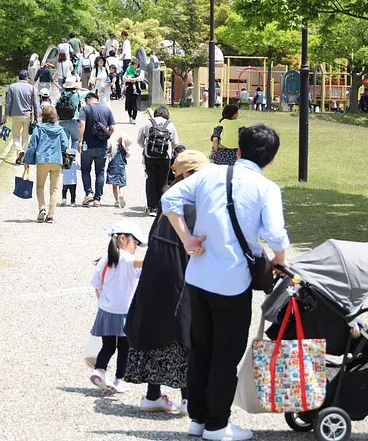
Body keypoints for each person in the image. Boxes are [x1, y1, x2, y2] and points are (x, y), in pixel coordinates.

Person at [162, 124, 290, 441]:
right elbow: (275, 236)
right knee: (225, 355)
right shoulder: (266, 189)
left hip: (198, 276)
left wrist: (188, 239)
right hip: (232, 283)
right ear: (270, 160)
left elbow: (169, 200)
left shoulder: (209, 174)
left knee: (201, 349)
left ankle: (198, 419)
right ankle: (217, 425)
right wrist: (280, 261)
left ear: (240, 150)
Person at [124, 150, 209, 416]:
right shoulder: (194, 204)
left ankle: (152, 395)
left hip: (156, 271)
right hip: (180, 271)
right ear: (189, 175)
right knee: (184, 330)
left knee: (155, 328)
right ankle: (187, 398)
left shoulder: (167, 199)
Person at [88, 220, 145, 393]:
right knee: (124, 348)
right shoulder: (128, 258)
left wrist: (103, 302)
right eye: (134, 242)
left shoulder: (105, 258)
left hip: (106, 310)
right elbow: (140, 264)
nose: (135, 246)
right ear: (122, 239)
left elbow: (97, 284)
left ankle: (100, 370)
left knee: (108, 346)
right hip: (124, 312)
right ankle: (120, 380)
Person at [24, 105, 69, 223]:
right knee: (54, 188)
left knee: (40, 186)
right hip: (56, 161)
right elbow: (65, 145)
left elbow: (32, 146)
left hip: (42, 160)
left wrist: (27, 161)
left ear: (43, 115)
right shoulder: (60, 129)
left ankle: (42, 208)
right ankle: (51, 215)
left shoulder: (39, 129)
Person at [137, 107, 179, 216]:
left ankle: (152, 208)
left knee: (151, 180)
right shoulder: (170, 125)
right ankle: (162, 207)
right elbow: (175, 143)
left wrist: (147, 148)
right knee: (163, 181)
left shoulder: (147, 123)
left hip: (149, 157)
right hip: (165, 157)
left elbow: (139, 141)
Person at [77, 92, 116, 207]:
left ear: (88, 99)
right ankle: (97, 199)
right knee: (99, 172)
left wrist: (79, 141)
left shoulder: (84, 109)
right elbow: (112, 127)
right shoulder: (107, 109)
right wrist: (106, 135)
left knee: (85, 170)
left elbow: (81, 124)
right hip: (102, 146)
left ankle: (89, 193)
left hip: (87, 145)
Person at [3, 70, 40, 165]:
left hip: (16, 115)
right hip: (28, 115)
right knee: (25, 137)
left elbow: (8, 103)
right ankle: (22, 157)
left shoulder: (12, 87)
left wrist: (5, 116)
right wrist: (36, 117)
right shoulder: (32, 88)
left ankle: (19, 151)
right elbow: (36, 104)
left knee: (15, 136)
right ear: (27, 78)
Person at [106, 136, 130, 209]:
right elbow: (128, 156)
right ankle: (121, 194)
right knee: (121, 183)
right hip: (121, 167)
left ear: (120, 141)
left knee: (114, 185)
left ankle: (116, 201)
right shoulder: (125, 149)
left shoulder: (113, 146)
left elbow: (107, 152)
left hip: (113, 166)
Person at [123, 58, 142, 124]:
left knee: (135, 104)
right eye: (134, 64)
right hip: (129, 88)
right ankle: (130, 117)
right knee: (129, 103)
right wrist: (130, 79)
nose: (135, 66)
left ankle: (134, 118)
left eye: (136, 64)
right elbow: (124, 77)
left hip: (137, 88)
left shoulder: (140, 71)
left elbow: (141, 77)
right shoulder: (128, 69)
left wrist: (135, 79)